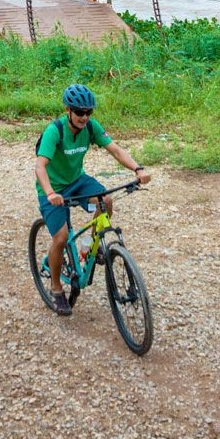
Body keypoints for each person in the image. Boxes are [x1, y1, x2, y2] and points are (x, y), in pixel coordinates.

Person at [34, 83, 150, 316]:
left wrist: (137, 169)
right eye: (79, 112)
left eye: (89, 112)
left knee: (106, 201)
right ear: (68, 109)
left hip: (77, 181)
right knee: (61, 238)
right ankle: (56, 289)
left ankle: (91, 246)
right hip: (53, 188)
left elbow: (115, 149)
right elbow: (40, 166)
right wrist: (50, 193)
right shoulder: (54, 131)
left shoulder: (91, 128)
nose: (84, 117)